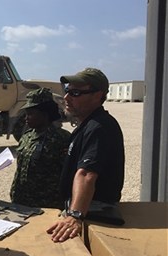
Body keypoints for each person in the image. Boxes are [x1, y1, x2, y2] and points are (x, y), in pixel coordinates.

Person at [47, 68, 125, 242]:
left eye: (75, 93)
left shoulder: (99, 127)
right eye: (67, 91)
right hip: (85, 210)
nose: (66, 98)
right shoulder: (88, 124)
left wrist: (75, 216)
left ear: (98, 96)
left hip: (93, 216)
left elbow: (87, 174)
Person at [10, 88, 70, 209]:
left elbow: (68, 175)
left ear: (45, 114)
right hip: (21, 202)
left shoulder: (62, 138)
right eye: (26, 114)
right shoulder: (26, 136)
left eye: (31, 114)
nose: (26, 118)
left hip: (47, 205)